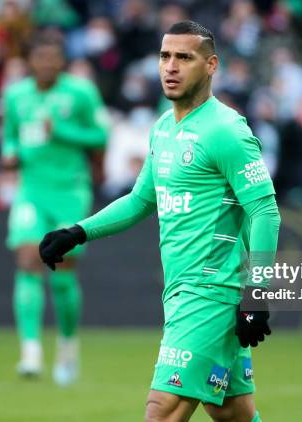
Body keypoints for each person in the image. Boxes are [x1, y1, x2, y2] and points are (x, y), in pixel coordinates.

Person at [39, 21, 280, 422]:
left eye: (184, 57)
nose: (171, 66)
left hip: (211, 292)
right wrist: (76, 232)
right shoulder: (163, 129)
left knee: (161, 410)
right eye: (165, 56)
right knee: (233, 413)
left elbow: (265, 211)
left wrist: (257, 293)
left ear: (211, 65)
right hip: (181, 290)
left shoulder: (226, 130)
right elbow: (138, 201)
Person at [1, 31, 109, 385]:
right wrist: (9, 153)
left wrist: (60, 129)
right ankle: (30, 350)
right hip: (31, 190)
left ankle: (66, 343)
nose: (47, 63)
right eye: (40, 57)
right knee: (28, 258)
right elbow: (10, 137)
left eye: (53, 57)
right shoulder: (16, 95)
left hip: (71, 191)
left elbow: (100, 136)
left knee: (63, 271)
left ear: (62, 61)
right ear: (30, 61)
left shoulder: (80, 92)